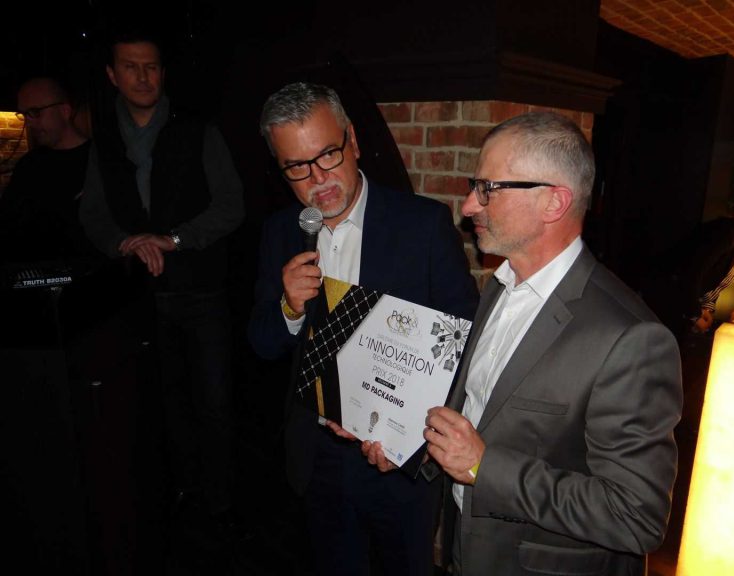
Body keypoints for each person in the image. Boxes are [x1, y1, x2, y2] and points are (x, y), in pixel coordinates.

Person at [362, 112, 682, 575]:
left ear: (554, 202)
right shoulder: (498, 286)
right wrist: (408, 445)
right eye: (474, 187)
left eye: (487, 188)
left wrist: (484, 467)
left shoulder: (632, 339)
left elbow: (636, 516)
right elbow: (479, 417)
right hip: (464, 550)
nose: (468, 206)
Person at [248, 82, 478, 576]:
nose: (318, 178)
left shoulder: (423, 225)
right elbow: (262, 344)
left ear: (352, 141)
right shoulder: (281, 231)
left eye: (327, 154)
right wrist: (289, 307)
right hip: (317, 457)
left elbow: (463, 344)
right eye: (297, 166)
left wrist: (413, 441)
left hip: (398, 461)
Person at [79, 32, 244, 533]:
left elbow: (231, 205)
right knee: (161, 403)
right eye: (131, 67)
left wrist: (172, 239)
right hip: (141, 295)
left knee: (214, 400)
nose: (143, 76)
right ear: (112, 75)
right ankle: (181, 490)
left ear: (163, 73)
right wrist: (125, 242)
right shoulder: (104, 140)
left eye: (151, 66)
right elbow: (93, 214)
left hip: (202, 290)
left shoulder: (197, 130)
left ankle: (222, 502)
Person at [0, 77, 93, 263]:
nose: (29, 123)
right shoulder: (29, 165)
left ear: (65, 111)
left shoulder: (100, 161)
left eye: (35, 112)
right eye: (24, 115)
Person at [677, 180, 734, 333]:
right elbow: (691, 272)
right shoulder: (727, 232)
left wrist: (706, 309)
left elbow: (712, 282)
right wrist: (694, 314)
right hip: (671, 309)